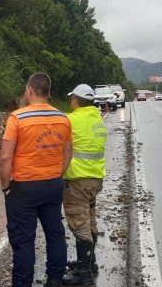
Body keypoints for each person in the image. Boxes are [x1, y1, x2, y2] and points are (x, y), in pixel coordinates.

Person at [0, 73, 73, 287]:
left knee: (23, 240)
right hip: (52, 184)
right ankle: (55, 279)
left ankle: (23, 283)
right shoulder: (63, 118)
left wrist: (5, 187)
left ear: (29, 90)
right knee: (55, 232)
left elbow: (5, 157)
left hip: (24, 188)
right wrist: (57, 174)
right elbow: (68, 152)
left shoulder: (17, 118)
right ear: (48, 93)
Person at [61, 84, 107, 286]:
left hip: (78, 181)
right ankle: (90, 263)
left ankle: (84, 275)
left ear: (75, 101)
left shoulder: (71, 119)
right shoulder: (96, 117)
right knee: (90, 220)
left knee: (80, 225)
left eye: (72, 99)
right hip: (95, 179)